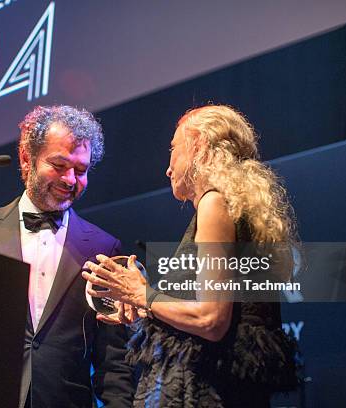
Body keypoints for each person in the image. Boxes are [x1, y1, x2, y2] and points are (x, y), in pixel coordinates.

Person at [83, 105, 298, 407]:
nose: (168, 168)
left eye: (173, 148)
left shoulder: (214, 203)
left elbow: (211, 319)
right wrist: (145, 313)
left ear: (198, 145)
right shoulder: (230, 208)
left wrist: (142, 293)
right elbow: (208, 322)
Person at [0, 105, 134, 408]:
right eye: (59, 165)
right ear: (26, 158)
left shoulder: (105, 248)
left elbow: (114, 363)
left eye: (81, 170)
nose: (71, 180)